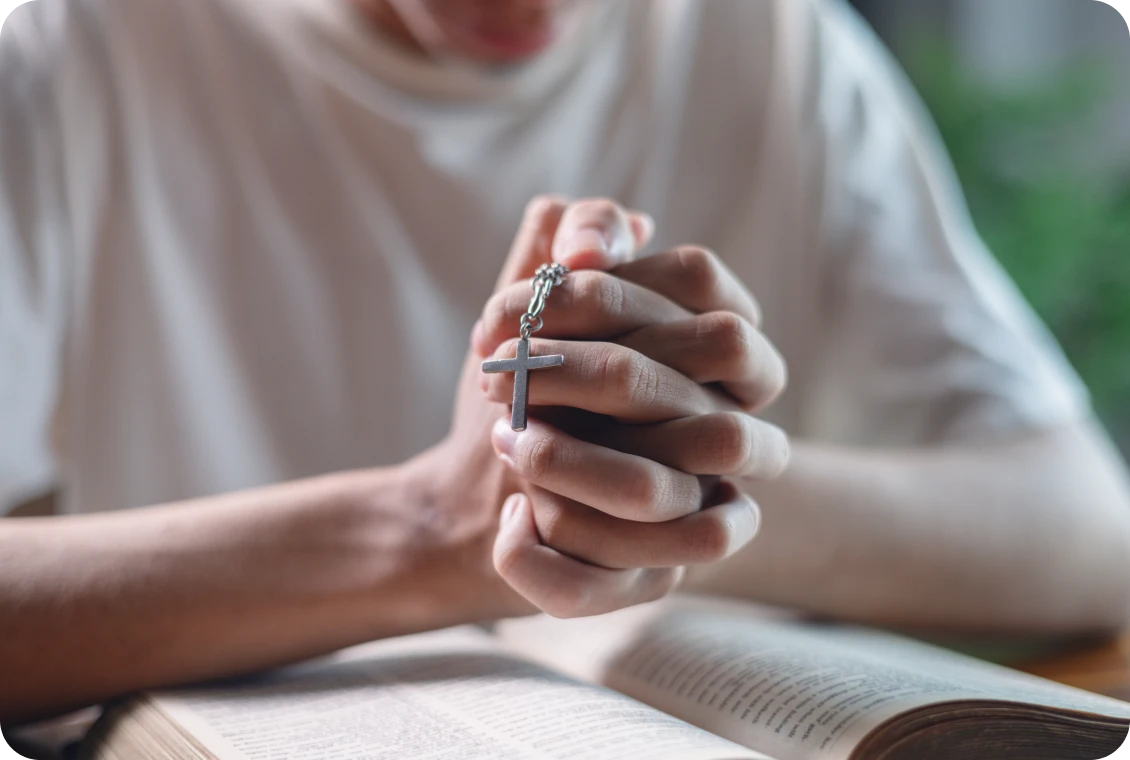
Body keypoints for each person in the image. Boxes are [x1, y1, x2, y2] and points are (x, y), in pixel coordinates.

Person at [3, 0, 1129, 729]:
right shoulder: (68, 51)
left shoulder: (773, 45)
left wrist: (667, 499)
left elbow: (1087, 530)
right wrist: (428, 531)